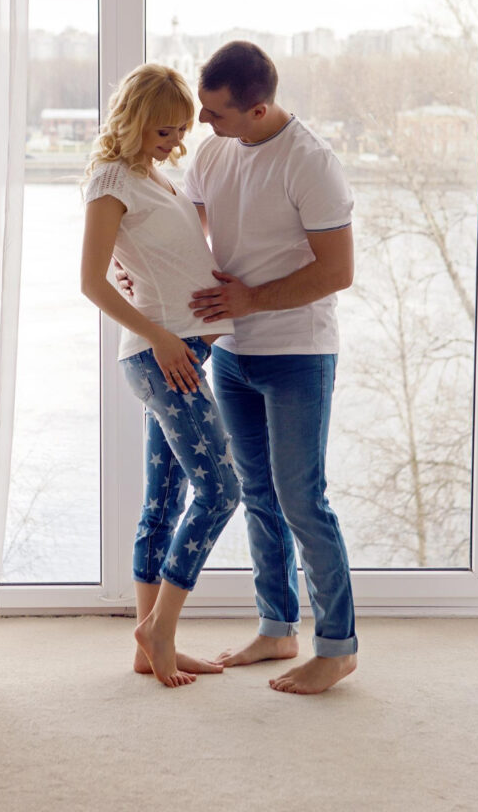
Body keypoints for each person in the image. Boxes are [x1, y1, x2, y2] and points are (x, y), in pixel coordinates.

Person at [184, 40, 358, 695]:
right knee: (255, 494)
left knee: (301, 501)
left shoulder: (311, 163)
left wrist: (250, 300)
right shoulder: (213, 152)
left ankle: (337, 648)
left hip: (297, 354)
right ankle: (277, 627)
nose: (203, 122)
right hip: (231, 353)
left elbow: (337, 272)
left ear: (257, 109)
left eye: (216, 112)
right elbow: (187, 236)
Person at [80, 63, 240, 689]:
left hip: (180, 353)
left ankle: (148, 647)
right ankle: (159, 631)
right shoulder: (111, 179)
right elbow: (92, 282)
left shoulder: (154, 175)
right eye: (163, 131)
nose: (175, 143)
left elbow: (154, 262)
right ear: (134, 120)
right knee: (220, 491)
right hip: (162, 358)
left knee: (164, 502)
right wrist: (162, 336)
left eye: (179, 131)